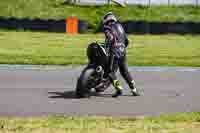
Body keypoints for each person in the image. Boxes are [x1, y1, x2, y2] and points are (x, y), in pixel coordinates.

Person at [102, 12, 140, 97]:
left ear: (106, 20)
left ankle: (119, 89)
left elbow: (110, 38)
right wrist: (121, 47)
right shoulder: (120, 26)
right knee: (124, 71)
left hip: (114, 51)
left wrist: (107, 48)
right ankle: (134, 90)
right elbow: (127, 41)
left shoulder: (107, 27)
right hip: (123, 50)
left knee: (109, 72)